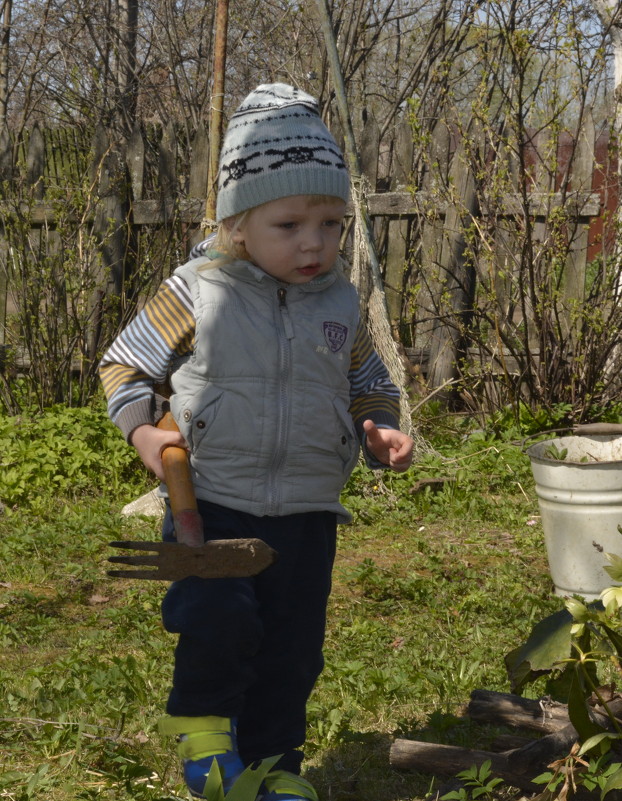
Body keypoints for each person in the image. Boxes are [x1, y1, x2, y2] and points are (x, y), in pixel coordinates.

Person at [100, 83, 414, 801]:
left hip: (308, 509)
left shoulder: (340, 300)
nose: (314, 242)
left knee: (292, 650)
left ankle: (273, 769)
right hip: (213, 498)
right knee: (219, 618)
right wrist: (145, 430)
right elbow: (124, 363)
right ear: (239, 225)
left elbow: (368, 380)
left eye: (331, 224)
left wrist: (380, 428)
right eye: (290, 223)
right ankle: (206, 735)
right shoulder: (198, 291)